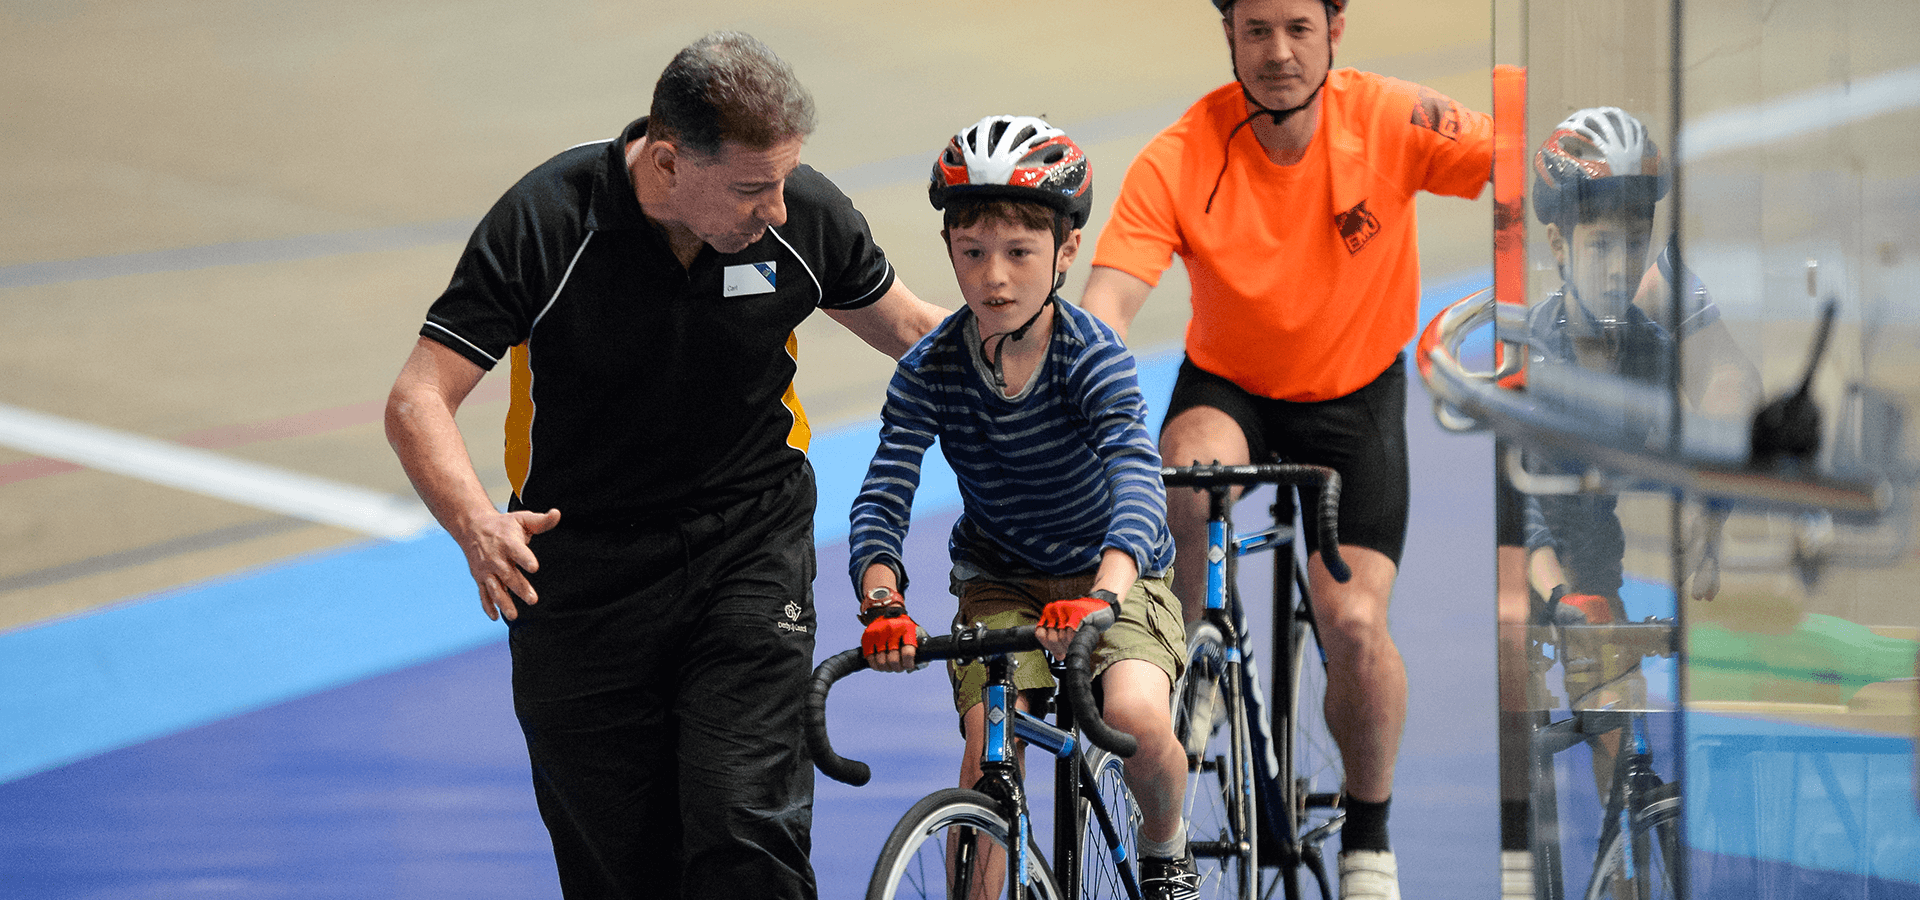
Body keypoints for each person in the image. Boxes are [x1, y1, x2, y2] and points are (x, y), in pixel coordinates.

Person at [382, 32, 946, 900]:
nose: (781, 211)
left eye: (786, 181)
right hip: (579, 576)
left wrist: (1055, 375)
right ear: (670, 163)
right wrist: (476, 524)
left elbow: (914, 333)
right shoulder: (549, 220)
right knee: (619, 869)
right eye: (755, 188)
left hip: (748, 545)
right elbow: (420, 397)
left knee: (741, 828)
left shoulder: (802, 219)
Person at [1079, 0, 1494, 896]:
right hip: (1231, 389)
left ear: (1336, 28)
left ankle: (1369, 835)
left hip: (1354, 397)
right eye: (1256, 30)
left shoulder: (1393, 117)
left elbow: (1526, 160)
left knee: (1352, 623)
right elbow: (1105, 309)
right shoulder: (1182, 154)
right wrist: (1074, 393)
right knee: (1184, 476)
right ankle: (1182, 664)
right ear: (1228, 33)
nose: (1276, 53)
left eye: (1298, 28)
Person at [849, 115, 1198, 900]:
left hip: (1113, 574)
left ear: (1066, 253)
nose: (993, 279)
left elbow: (1138, 484)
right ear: (948, 252)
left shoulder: (1091, 356)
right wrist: (880, 596)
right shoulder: (931, 366)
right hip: (1000, 581)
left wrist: (1105, 593)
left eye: (1019, 253)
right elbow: (884, 492)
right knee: (985, 756)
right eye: (971, 254)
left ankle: (1167, 846)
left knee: (1138, 719)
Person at [1493, 106, 1759, 874]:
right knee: (1567, 692)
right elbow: (1526, 517)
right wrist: (1559, 599)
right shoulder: (1537, 357)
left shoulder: (1648, 339)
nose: (1618, 265)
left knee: (1624, 718)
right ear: (1556, 245)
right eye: (1600, 244)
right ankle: (1537, 868)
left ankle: (1630, 869)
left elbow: (1719, 410)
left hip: (1596, 556)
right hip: (1535, 564)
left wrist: (1708, 523)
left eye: (1633, 243)